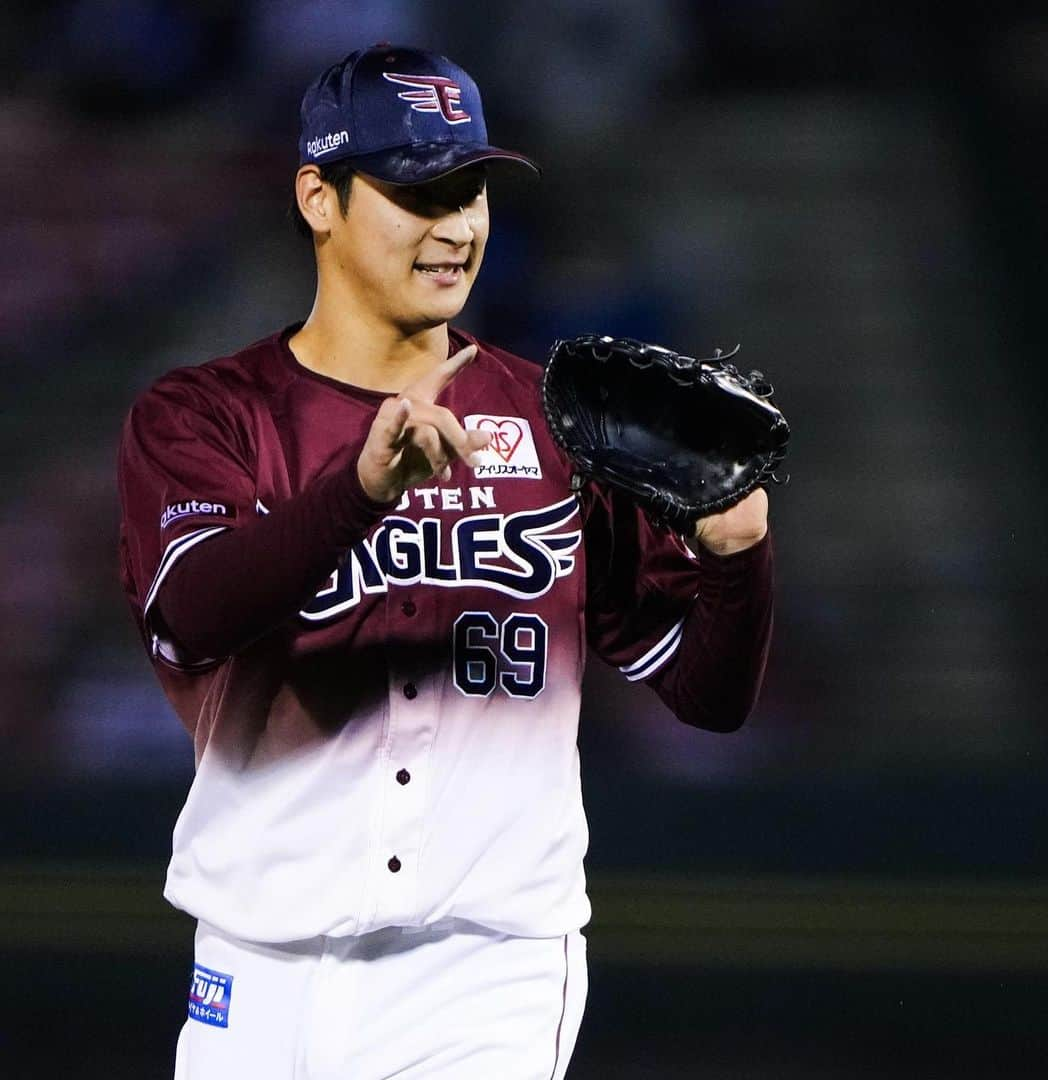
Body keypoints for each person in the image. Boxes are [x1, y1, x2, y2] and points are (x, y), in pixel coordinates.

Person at [117, 43, 774, 1079]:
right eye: (417, 189)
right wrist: (357, 494)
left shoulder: (560, 420)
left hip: (486, 969)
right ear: (317, 198)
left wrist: (738, 561)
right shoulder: (207, 415)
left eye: (469, 188)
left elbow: (707, 694)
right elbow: (190, 616)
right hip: (255, 960)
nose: (455, 223)